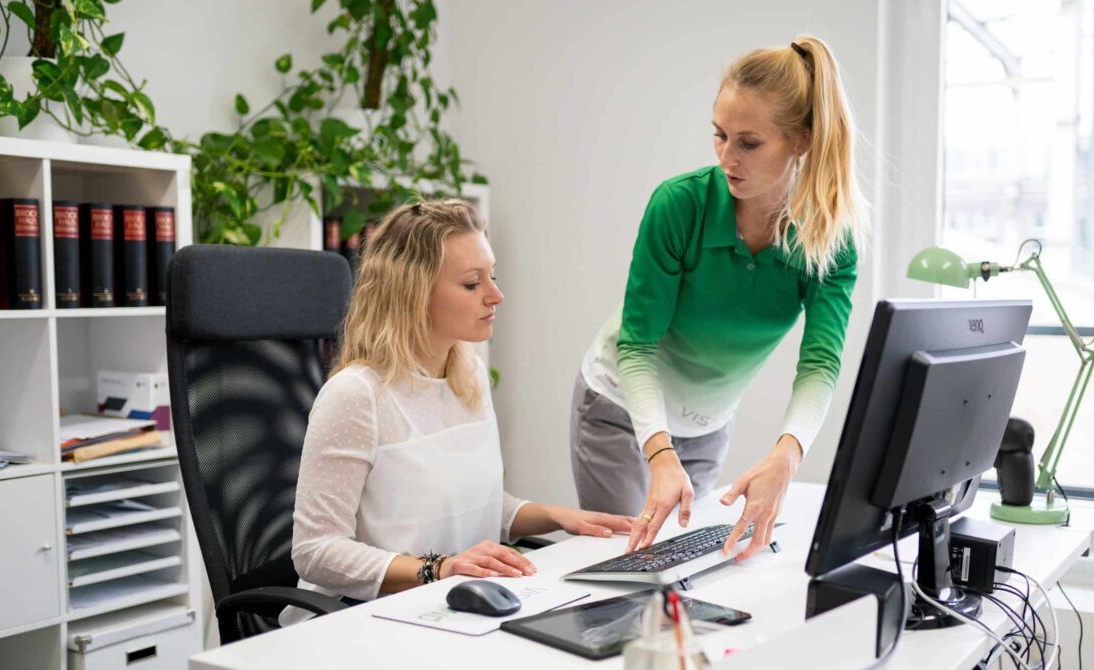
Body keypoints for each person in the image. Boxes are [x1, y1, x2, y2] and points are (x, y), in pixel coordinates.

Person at [570, 35, 867, 562]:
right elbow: (637, 347)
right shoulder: (678, 206)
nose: (727, 158)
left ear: (800, 140)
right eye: (719, 136)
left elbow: (820, 363)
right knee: (627, 568)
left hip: (708, 426)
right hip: (621, 407)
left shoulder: (828, 239)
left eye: (748, 143)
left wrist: (787, 454)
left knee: (688, 572)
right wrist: (660, 453)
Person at [282, 200, 632, 626]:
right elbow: (316, 551)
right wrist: (437, 568)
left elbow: (467, 503)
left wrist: (558, 516)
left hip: (448, 610)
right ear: (413, 293)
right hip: (360, 620)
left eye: (493, 276)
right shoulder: (355, 396)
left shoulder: (470, 375)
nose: (496, 295)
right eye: (471, 284)